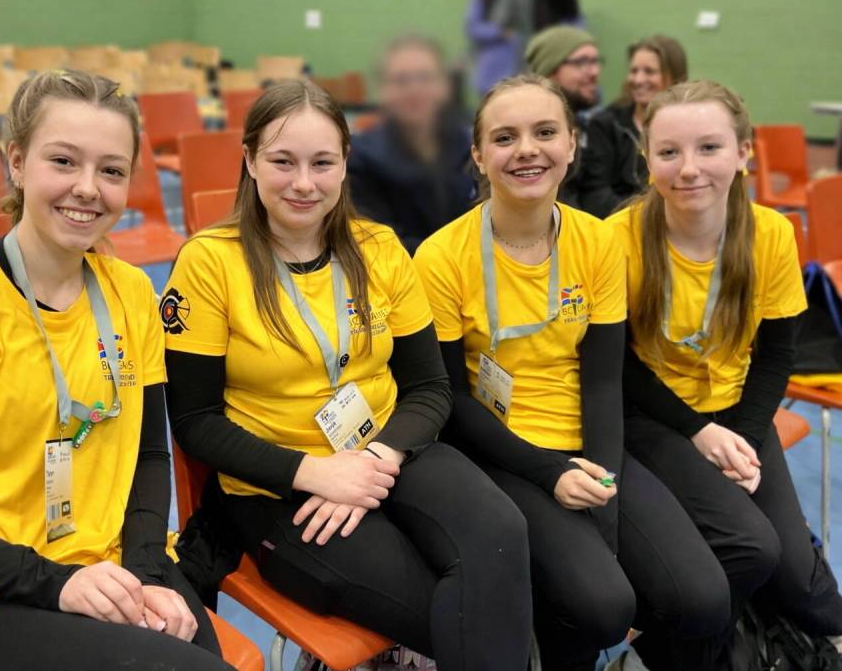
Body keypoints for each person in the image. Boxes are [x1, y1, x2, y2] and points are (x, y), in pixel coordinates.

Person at [162, 79, 533, 670]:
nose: (304, 183)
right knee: (460, 608)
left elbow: (429, 388)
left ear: (344, 164)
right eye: (283, 162)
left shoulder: (380, 248)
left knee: (502, 542)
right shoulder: (209, 263)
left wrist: (376, 459)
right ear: (251, 161)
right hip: (280, 483)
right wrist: (316, 474)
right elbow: (195, 422)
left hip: (388, 451)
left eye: (322, 162)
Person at [0, 69, 230, 670]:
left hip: (116, 569)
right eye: (63, 161)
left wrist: (145, 569)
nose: (87, 188)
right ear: (16, 161)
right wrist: (58, 583)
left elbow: (148, 456)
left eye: (112, 170)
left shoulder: (134, 293)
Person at [414, 74, 731, 671]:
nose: (527, 149)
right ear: (479, 156)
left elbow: (605, 380)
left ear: (572, 145)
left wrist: (604, 494)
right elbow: (451, 398)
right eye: (505, 137)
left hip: (588, 447)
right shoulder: (440, 257)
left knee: (703, 598)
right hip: (501, 452)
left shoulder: (597, 242)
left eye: (545, 132)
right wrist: (550, 472)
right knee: (603, 605)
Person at [609, 79, 842, 665]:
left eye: (709, 148)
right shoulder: (619, 239)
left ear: (744, 152)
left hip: (740, 411)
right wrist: (698, 431)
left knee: (807, 587)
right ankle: (663, 653)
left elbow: (778, 354)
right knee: (754, 549)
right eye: (669, 152)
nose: (689, 169)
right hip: (656, 416)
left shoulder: (771, 234)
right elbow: (619, 366)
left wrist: (740, 433)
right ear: (647, 159)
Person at [348, 34, 477, 253]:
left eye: (425, 77)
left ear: (445, 86)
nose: (415, 90)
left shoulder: (471, 147)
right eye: (401, 80)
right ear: (382, 90)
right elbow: (380, 244)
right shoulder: (361, 159)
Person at [580, 35, 688, 218]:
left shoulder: (690, 124)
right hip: (620, 226)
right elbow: (596, 195)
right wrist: (647, 218)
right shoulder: (605, 125)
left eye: (649, 71)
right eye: (634, 70)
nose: (638, 80)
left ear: (674, 77)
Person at [524, 24, 602, 208]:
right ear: (549, 70)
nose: (594, 72)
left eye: (595, 62)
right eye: (582, 63)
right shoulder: (526, 138)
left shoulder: (593, 127)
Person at [465, 0, 533, 96]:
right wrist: (499, 32)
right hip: (490, 70)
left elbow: (526, 27)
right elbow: (472, 27)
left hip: (515, 66)